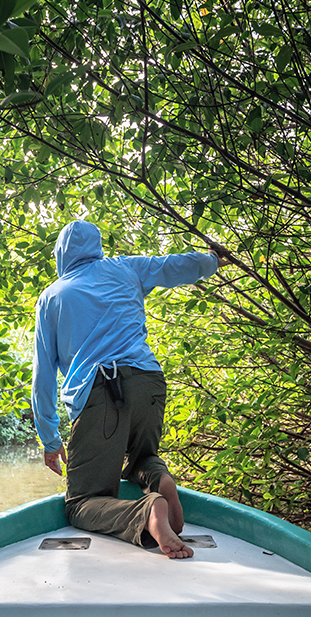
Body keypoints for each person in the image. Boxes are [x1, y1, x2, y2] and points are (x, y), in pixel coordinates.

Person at [31, 220, 227, 558]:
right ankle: (160, 480)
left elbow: (43, 377)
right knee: (143, 458)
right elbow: (173, 265)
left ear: (60, 254)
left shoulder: (51, 297)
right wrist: (212, 260)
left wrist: (50, 441)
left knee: (80, 502)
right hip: (148, 381)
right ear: (97, 247)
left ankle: (147, 512)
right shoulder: (125, 269)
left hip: (99, 393)